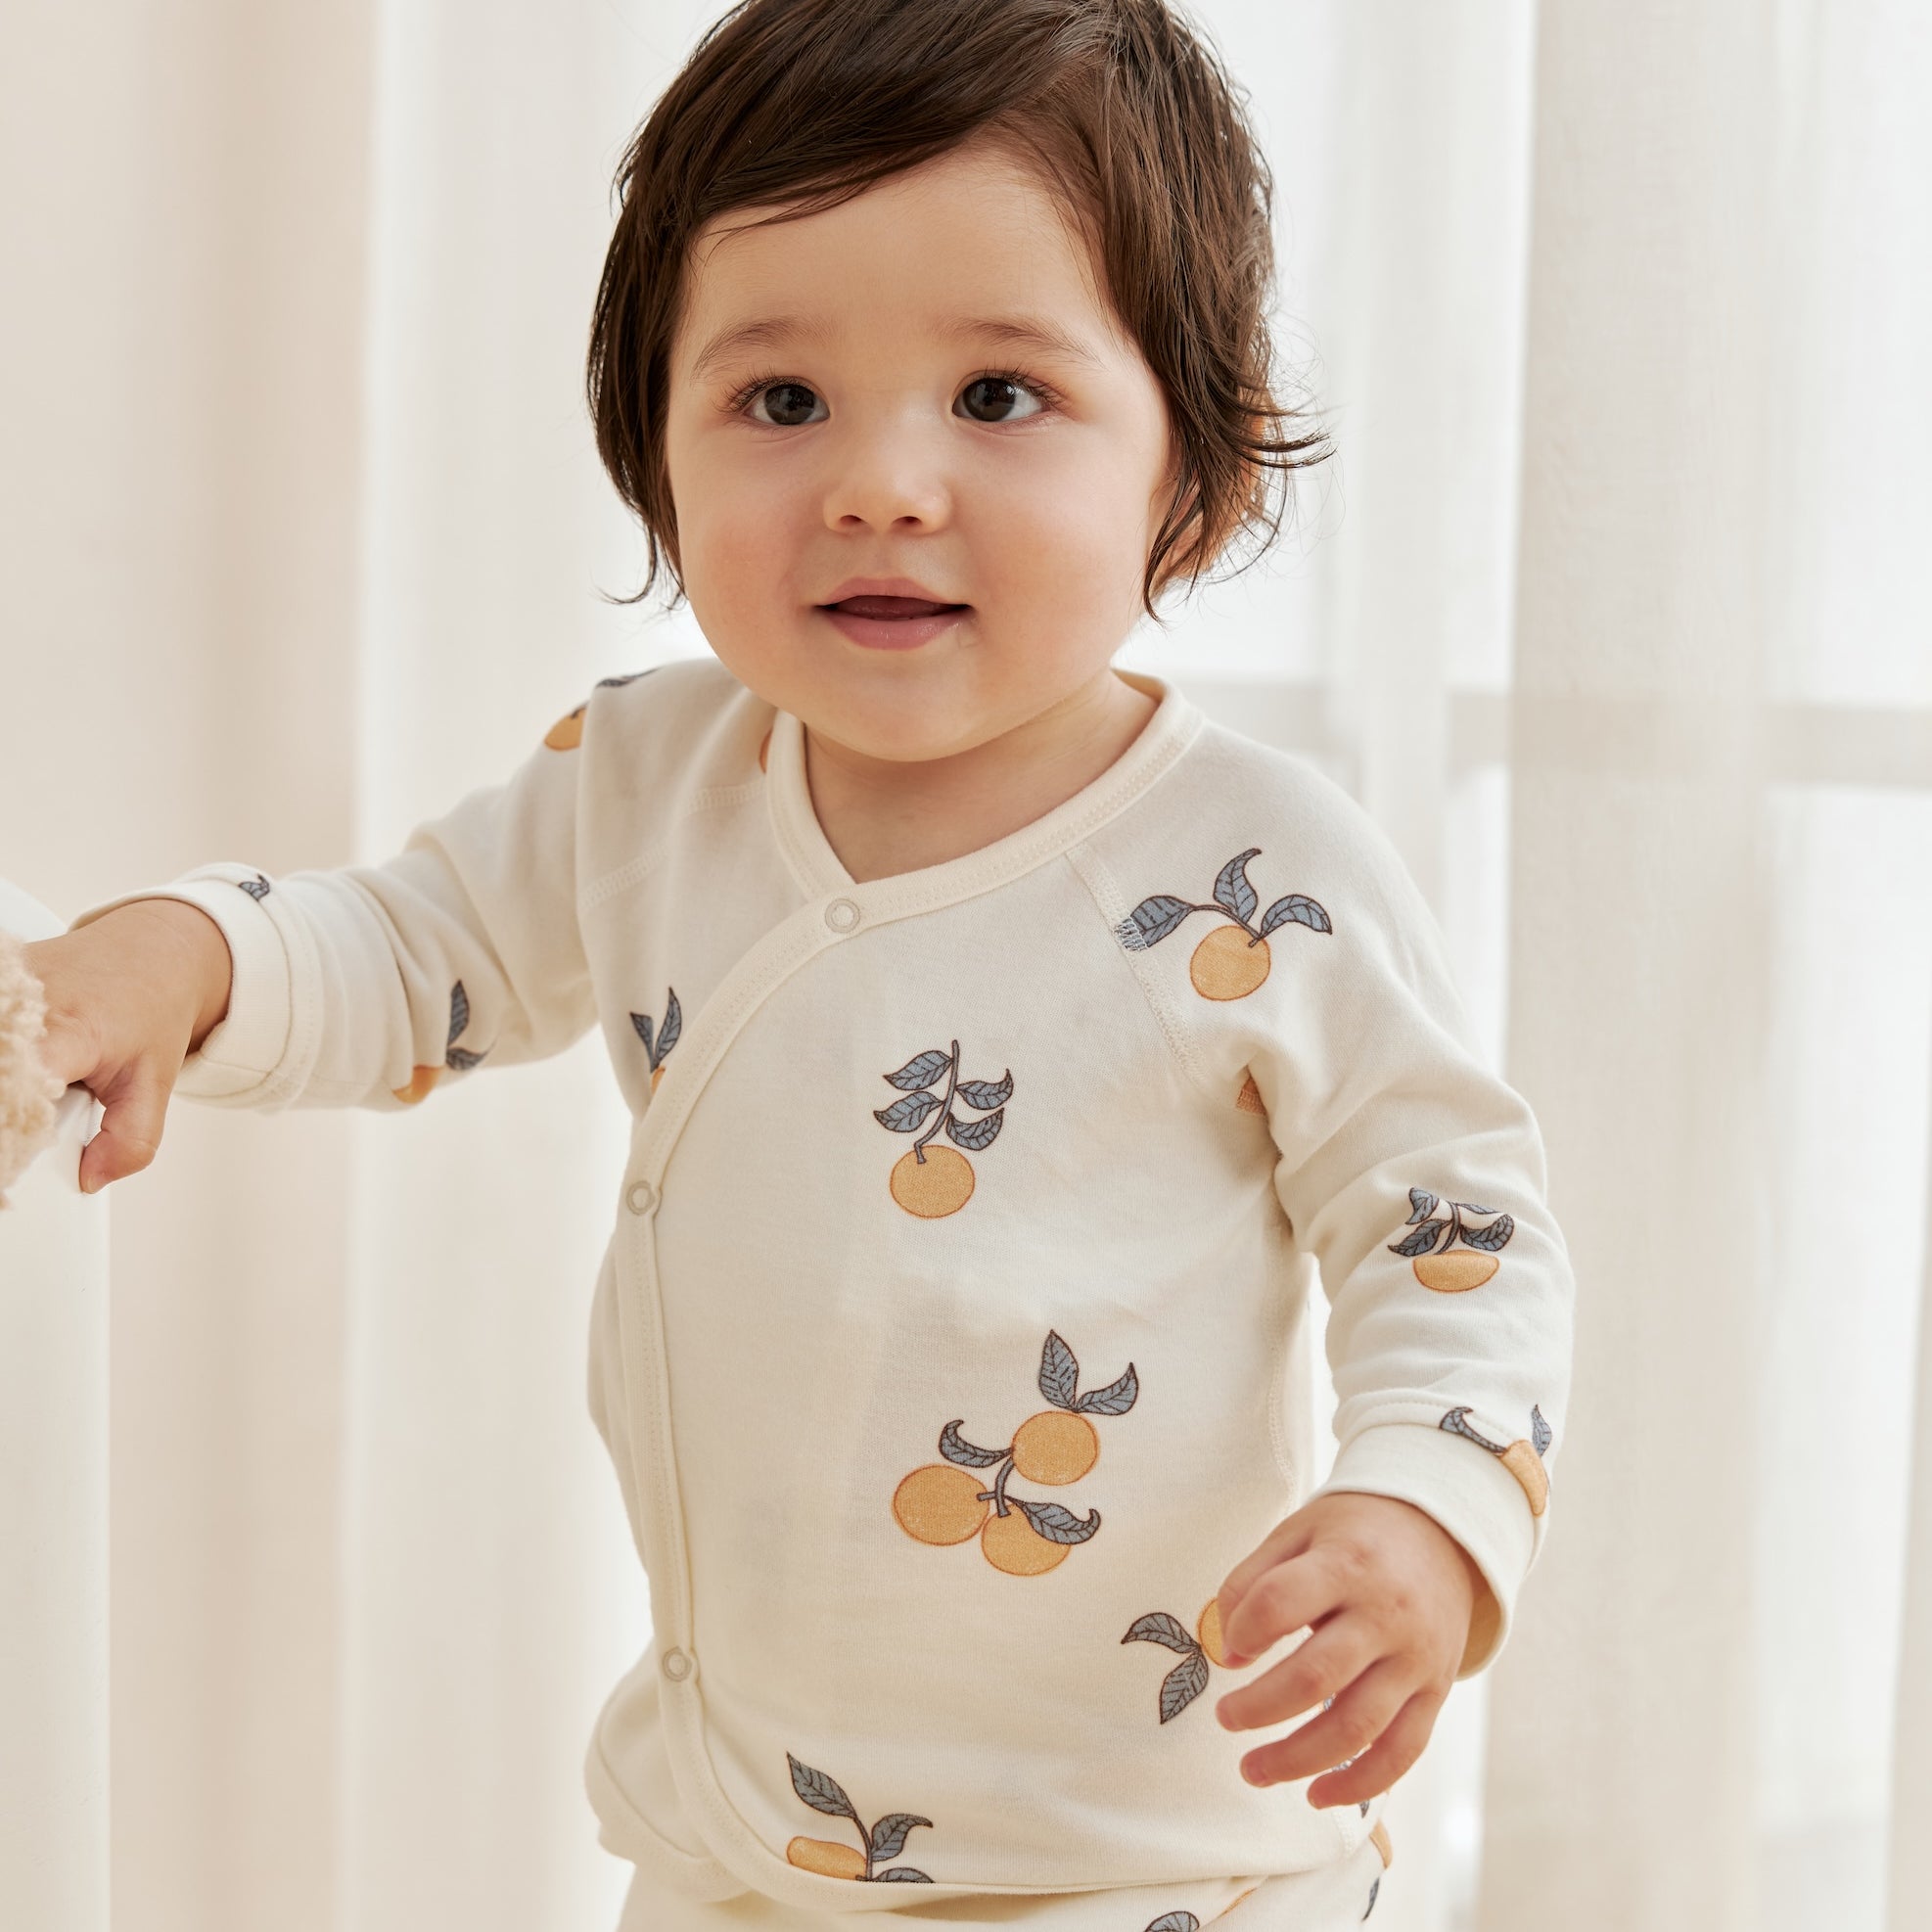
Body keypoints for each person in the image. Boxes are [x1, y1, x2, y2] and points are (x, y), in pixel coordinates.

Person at [23, 1, 1574, 1925]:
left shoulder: (1248, 882)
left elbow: (1460, 1229)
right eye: (780, 403)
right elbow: (413, 947)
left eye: (998, 397)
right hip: (739, 1841)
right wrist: (183, 954)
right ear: (649, 439)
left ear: (1191, 454)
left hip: (1152, 1870)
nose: (880, 484)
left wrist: (1430, 1504)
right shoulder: (649, 780)